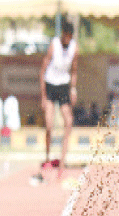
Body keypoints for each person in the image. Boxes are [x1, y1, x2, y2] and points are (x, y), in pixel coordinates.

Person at [35, 21, 78, 184]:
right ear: (62, 35)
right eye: (65, 35)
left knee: (68, 122)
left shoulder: (75, 48)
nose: (66, 39)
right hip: (51, 85)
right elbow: (43, 69)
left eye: (69, 36)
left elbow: (74, 70)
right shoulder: (54, 45)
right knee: (49, 125)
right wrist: (43, 95)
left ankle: (62, 162)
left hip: (64, 86)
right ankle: (47, 157)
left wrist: (73, 89)